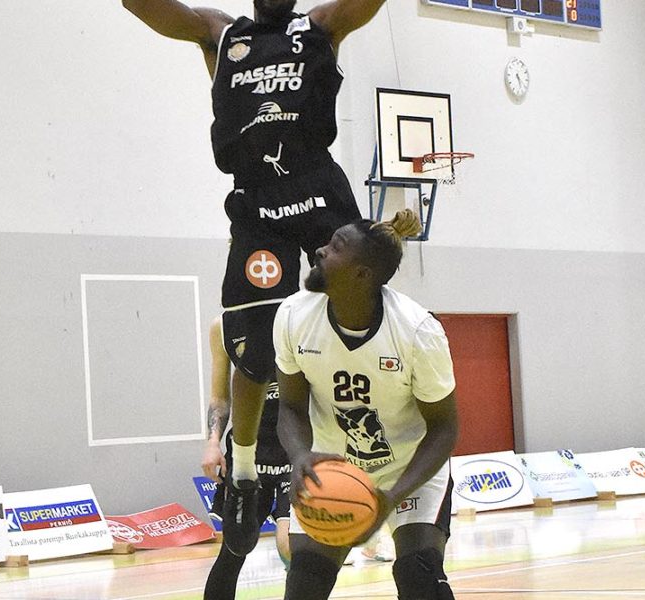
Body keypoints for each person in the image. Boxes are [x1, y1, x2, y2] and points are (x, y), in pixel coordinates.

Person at [121, 0, 388, 556]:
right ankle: (243, 470)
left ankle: (368, 461)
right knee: (254, 347)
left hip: (318, 186)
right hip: (256, 198)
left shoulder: (318, 27)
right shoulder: (220, 34)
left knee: (360, 322)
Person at [273, 209, 459, 600]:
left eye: (335, 247)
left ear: (362, 274)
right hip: (331, 467)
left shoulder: (418, 331)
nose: (320, 251)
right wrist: (300, 455)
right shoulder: (292, 316)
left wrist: (390, 498)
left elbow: (444, 428)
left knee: (418, 573)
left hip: (409, 467)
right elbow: (289, 406)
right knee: (306, 581)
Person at [201, 315, 291, 599]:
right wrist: (213, 442)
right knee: (233, 549)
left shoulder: (295, 314)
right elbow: (220, 397)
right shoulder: (222, 327)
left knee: (290, 543)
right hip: (249, 451)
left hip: (295, 445)